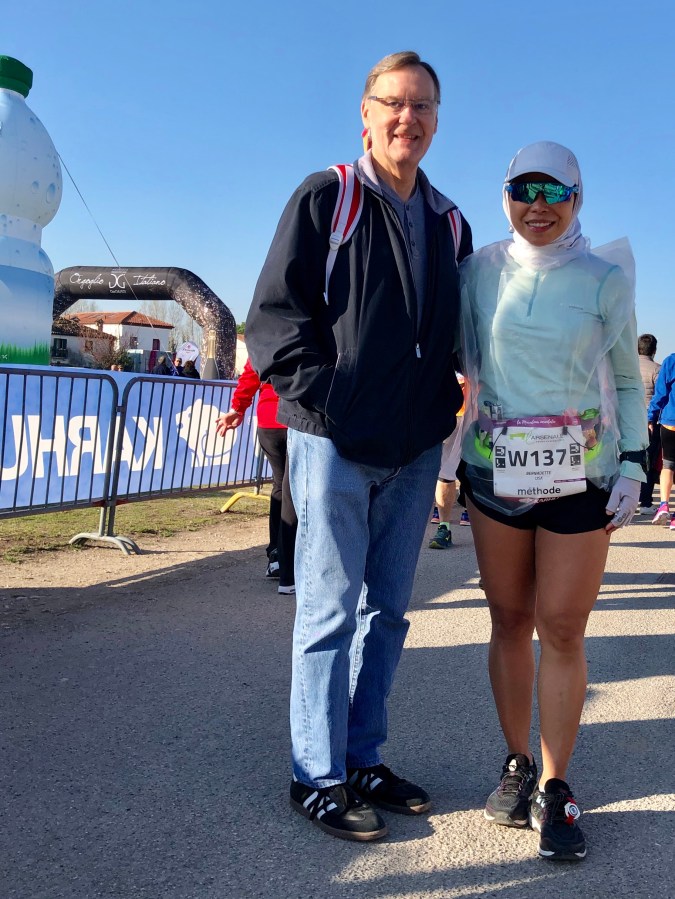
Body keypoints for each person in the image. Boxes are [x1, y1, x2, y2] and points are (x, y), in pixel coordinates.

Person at [245, 50, 472, 841]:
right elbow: (273, 317)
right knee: (328, 608)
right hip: (334, 441)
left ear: (436, 121)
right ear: (366, 115)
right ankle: (316, 773)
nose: (407, 117)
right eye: (393, 103)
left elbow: (459, 336)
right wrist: (333, 399)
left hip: (413, 447)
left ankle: (362, 755)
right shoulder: (328, 196)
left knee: (387, 613)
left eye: (422, 105)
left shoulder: (449, 221)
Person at [458, 141, 647, 861]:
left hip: (582, 474)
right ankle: (517, 763)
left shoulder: (604, 277)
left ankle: (557, 783)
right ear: (505, 196)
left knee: (562, 626)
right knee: (508, 618)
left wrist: (633, 463)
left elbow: (624, 379)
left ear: (577, 197)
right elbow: (457, 365)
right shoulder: (476, 272)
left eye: (554, 192)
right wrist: (440, 462)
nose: (537, 206)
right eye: (522, 190)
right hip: (495, 472)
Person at [215, 357, 297, 593]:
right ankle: (290, 568)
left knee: (281, 486)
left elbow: (251, 373)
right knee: (292, 490)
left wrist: (237, 408)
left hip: (269, 420)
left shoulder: (264, 338)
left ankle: (276, 557)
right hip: (295, 418)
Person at [429, 373, 470, 548]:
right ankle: (444, 527)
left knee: (480, 468)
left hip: (478, 407)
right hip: (450, 408)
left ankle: (469, 511)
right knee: (445, 471)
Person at [648, 351, 675, 528]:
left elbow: (660, 393)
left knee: (668, 465)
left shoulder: (671, 361)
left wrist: (651, 416)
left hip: (670, 422)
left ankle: (664, 505)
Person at [637, 334, 661, 512]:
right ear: (654, 350)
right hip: (649, 421)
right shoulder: (657, 369)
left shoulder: (627, 368)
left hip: (627, 420)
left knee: (627, 460)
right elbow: (660, 397)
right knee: (648, 462)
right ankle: (645, 502)